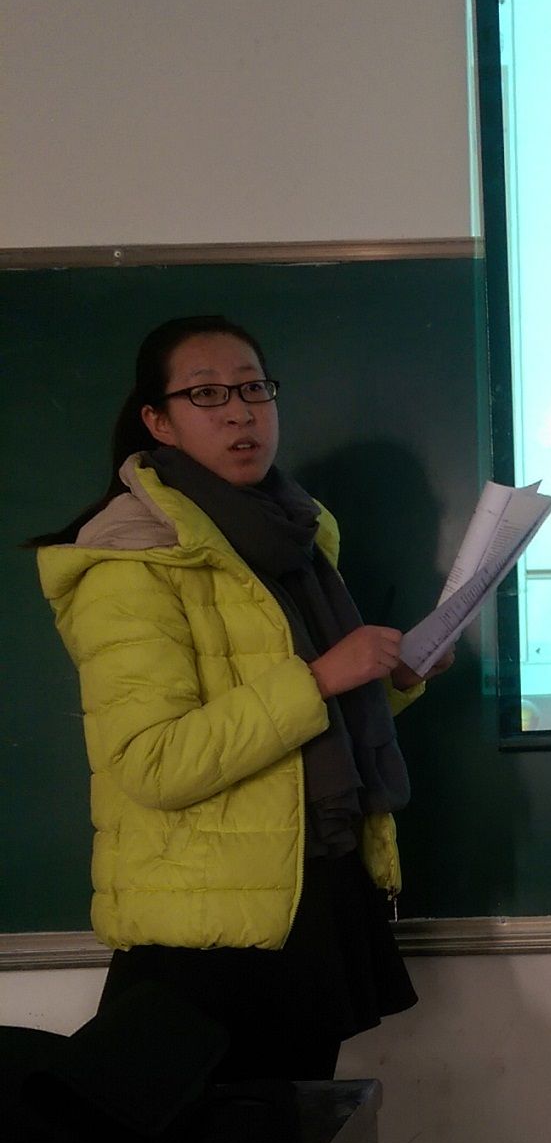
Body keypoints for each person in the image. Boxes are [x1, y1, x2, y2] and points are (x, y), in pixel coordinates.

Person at [34, 313, 450, 1080]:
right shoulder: (129, 563)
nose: (239, 412)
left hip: (310, 899)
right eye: (207, 393)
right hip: (207, 941)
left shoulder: (293, 539)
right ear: (157, 420)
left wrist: (390, 680)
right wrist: (321, 676)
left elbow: (304, 729)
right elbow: (155, 761)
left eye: (254, 388)